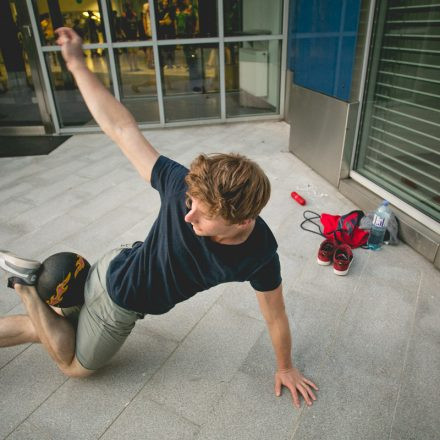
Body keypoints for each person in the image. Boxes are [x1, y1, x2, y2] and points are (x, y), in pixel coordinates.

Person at [0, 27, 318, 409]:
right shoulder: (181, 187)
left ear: (243, 220)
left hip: (111, 265)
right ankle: (26, 288)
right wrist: (76, 64)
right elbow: (121, 128)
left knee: (48, 328)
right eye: (191, 202)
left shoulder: (260, 253)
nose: (189, 214)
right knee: (74, 366)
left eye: (204, 212)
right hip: (119, 299)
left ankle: (53, 303)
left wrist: (285, 367)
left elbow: (275, 314)